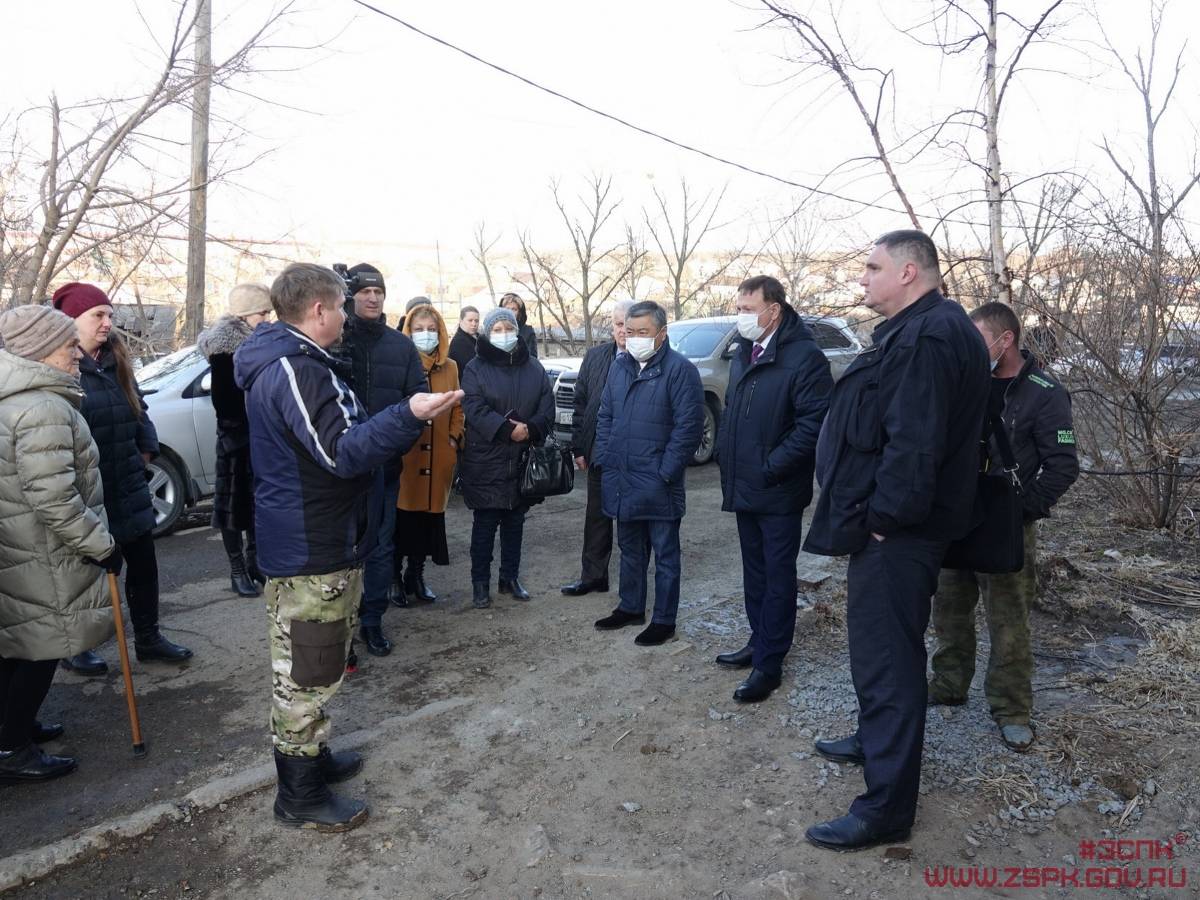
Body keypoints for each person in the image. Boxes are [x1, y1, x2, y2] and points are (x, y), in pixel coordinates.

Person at [234, 262, 460, 832]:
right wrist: (406, 414)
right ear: (319, 310)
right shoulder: (294, 369)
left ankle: (314, 758)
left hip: (326, 537)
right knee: (305, 673)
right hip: (312, 548)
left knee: (321, 661)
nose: (348, 314)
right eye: (340, 306)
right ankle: (300, 795)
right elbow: (341, 452)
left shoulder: (303, 362)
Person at [800, 231, 989, 852]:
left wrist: (885, 517)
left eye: (872, 268)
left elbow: (916, 441)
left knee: (888, 661)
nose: (863, 279)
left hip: (898, 532)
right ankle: (874, 742)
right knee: (884, 651)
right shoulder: (923, 328)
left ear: (910, 273)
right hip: (896, 528)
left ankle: (885, 808)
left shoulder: (929, 336)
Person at [930, 301, 1079, 752]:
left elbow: (1062, 465)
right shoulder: (963, 383)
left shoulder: (1044, 392)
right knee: (949, 610)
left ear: (1005, 339)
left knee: (1009, 622)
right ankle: (949, 683)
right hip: (957, 518)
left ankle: (1012, 709)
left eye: (978, 341)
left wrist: (1021, 511)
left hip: (1006, 525)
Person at [0, 305, 120, 784]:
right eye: (68, 344)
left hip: (21, 547)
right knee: (45, 647)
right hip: (45, 553)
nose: (77, 351)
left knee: (17, 644)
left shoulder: (15, 399)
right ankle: (12, 749)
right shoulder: (41, 407)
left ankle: (14, 729)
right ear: (39, 348)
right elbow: (54, 497)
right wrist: (101, 544)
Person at [53, 283, 192, 674]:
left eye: (109, 314)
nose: (108, 323)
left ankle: (149, 638)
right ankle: (76, 646)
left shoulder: (116, 359)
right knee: (87, 573)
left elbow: (138, 407)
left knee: (143, 566)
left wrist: (145, 447)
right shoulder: (61, 365)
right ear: (71, 321)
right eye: (98, 315)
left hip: (128, 481)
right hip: (88, 489)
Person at [714, 276, 832, 703]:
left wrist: (770, 466)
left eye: (749, 309)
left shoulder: (804, 358)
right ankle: (758, 641)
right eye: (740, 308)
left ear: (774, 310)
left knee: (778, 575)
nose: (742, 317)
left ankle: (770, 662)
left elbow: (812, 425)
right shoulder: (745, 352)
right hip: (747, 483)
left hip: (777, 488)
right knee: (754, 572)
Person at [592, 301, 704, 646]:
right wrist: (606, 456)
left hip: (658, 482)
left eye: (643, 332)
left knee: (665, 554)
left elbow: (688, 429)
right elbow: (606, 416)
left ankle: (664, 619)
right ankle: (631, 606)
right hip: (623, 477)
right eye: (630, 330)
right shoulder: (620, 366)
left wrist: (665, 472)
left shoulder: (680, 370)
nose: (634, 337)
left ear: (661, 333)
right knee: (630, 548)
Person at [337, 263, 427, 658]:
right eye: (365, 292)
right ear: (349, 296)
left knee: (380, 548)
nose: (372, 298)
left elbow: (418, 403)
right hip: (338, 471)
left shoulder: (400, 345)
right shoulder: (335, 341)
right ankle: (341, 632)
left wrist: (395, 447)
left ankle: (372, 622)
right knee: (340, 553)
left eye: (379, 292)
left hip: (384, 471)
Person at [459, 307, 553, 609]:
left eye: (507, 328)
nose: (503, 334)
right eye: (496, 329)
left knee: (516, 522)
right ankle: (480, 583)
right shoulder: (475, 367)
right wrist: (504, 430)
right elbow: (473, 407)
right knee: (485, 524)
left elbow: (546, 406)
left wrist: (531, 428)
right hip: (486, 458)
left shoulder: (535, 368)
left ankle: (509, 577)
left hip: (522, 459)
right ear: (487, 333)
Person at [197, 284, 273, 598]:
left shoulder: (259, 343)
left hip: (259, 437)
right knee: (232, 507)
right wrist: (244, 433)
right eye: (262, 313)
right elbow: (224, 402)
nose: (267, 318)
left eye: (268, 312)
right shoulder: (226, 348)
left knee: (257, 505)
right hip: (236, 440)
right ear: (244, 315)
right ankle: (237, 569)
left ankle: (257, 562)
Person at [561, 300, 632, 597]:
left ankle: (632, 586)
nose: (623, 331)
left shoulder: (648, 360)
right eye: (618, 324)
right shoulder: (595, 357)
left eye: (629, 326)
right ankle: (593, 577)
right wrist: (579, 448)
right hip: (598, 451)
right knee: (597, 518)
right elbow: (581, 405)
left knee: (631, 522)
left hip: (631, 455)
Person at [394, 305, 464, 604]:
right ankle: (393, 577)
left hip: (438, 459)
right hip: (406, 459)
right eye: (418, 329)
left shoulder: (451, 367)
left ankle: (416, 574)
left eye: (431, 329)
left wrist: (453, 438)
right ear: (408, 332)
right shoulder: (399, 363)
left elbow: (458, 409)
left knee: (427, 523)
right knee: (402, 522)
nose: (426, 335)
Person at [500, 292, 538, 358]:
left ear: (519, 313)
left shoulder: (528, 332)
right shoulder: (494, 330)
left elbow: (532, 360)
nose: (510, 312)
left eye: (514, 309)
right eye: (507, 309)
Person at [448, 306, 480, 377]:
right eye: (470, 320)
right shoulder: (459, 342)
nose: (474, 324)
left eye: (476, 321)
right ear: (461, 320)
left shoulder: (478, 337)